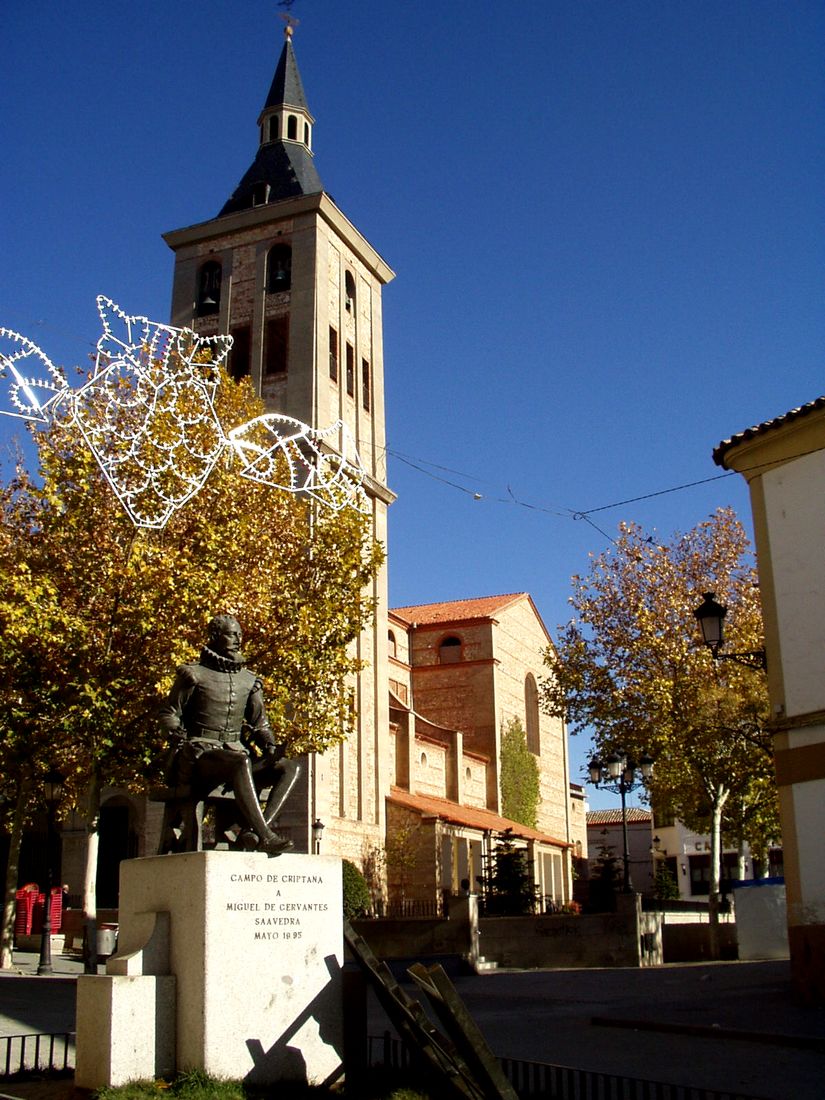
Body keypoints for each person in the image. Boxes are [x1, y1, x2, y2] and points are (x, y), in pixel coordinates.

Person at [158, 614, 299, 856]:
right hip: (199, 758)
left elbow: (260, 723)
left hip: (235, 756)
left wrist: (270, 746)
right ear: (214, 637)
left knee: (289, 768)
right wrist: (174, 732)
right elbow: (169, 713)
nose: (238, 639)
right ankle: (266, 836)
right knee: (240, 762)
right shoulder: (193, 674)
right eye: (231, 634)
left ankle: (254, 832)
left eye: (240, 635)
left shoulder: (249, 680)